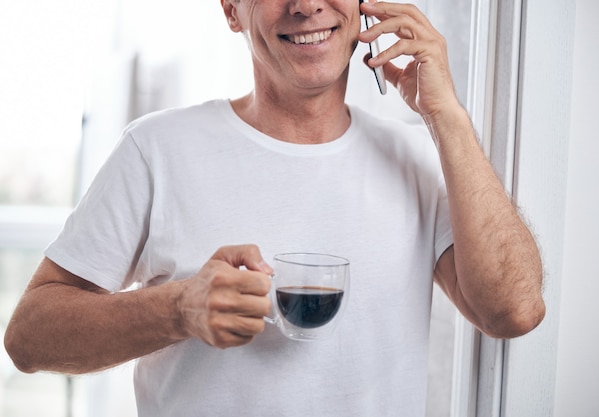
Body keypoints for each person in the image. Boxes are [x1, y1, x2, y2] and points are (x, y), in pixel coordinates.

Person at [4, 0, 546, 415]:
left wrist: (445, 113)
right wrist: (176, 309)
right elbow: (30, 338)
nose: (306, 5)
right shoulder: (158, 149)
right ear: (231, 10)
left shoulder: (418, 159)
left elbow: (513, 310)